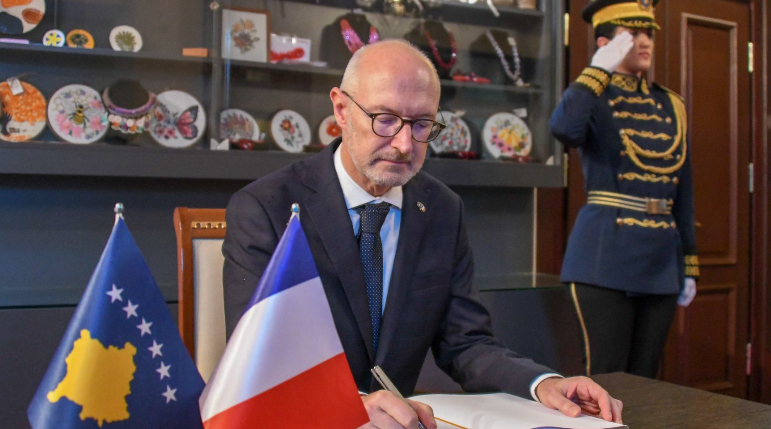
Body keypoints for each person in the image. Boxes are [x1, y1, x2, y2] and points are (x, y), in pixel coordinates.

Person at [223, 39, 623, 428]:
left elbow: (466, 343)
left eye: (421, 124)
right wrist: (353, 406)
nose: (404, 144)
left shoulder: (443, 209)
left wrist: (542, 384)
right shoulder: (267, 209)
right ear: (341, 109)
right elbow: (260, 365)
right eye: (385, 119)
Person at [550, 0, 699, 379]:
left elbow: (683, 192)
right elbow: (564, 129)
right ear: (605, 43)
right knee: (607, 378)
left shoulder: (671, 105)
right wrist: (597, 69)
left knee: (646, 378)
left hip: (660, 258)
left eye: (648, 34)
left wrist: (689, 264)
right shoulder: (592, 97)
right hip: (604, 257)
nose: (645, 42)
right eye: (632, 34)